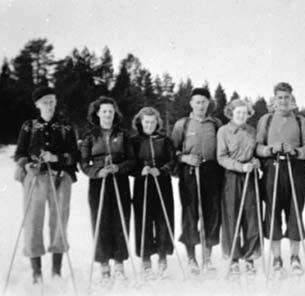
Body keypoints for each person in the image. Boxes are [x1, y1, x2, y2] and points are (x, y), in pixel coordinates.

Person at [14, 86, 79, 283]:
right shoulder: (30, 126)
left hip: (60, 177)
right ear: (37, 104)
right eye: (45, 102)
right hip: (35, 177)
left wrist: (56, 157)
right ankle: (37, 272)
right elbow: (19, 153)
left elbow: (74, 154)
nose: (49, 106)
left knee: (59, 222)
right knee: (33, 221)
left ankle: (57, 271)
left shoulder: (66, 126)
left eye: (52, 101)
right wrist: (27, 163)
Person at [256, 82, 305, 274]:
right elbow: (257, 146)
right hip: (273, 168)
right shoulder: (266, 119)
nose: (283, 101)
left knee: (295, 211)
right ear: (274, 99)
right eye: (279, 98)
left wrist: (296, 151)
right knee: (272, 212)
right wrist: (269, 149)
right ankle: (277, 258)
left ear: (292, 99)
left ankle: (295, 257)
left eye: (286, 98)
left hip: (295, 169)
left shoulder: (300, 121)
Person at [79, 96, 135, 279]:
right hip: (99, 182)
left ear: (114, 113)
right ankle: (103, 263)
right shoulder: (89, 135)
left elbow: (132, 160)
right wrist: (96, 172)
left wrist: (119, 167)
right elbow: (83, 162)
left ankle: (119, 262)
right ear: (97, 113)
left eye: (111, 111)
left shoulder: (123, 134)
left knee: (120, 220)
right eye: (104, 111)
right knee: (100, 220)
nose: (108, 115)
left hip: (119, 181)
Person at [171, 87, 223, 274]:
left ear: (208, 104)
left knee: (211, 214)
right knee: (190, 213)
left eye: (204, 102)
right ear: (191, 103)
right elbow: (173, 150)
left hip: (211, 171)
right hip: (190, 171)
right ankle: (192, 258)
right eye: (197, 102)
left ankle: (207, 257)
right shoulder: (182, 124)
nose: (201, 105)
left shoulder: (216, 124)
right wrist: (184, 158)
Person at [217, 99, 261, 275]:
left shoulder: (252, 131)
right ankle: (233, 257)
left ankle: (250, 257)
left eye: (245, 112)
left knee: (251, 217)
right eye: (238, 113)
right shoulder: (223, 131)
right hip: (232, 176)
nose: (241, 116)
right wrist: (239, 166)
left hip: (250, 177)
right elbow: (221, 157)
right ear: (231, 113)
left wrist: (257, 161)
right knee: (231, 215)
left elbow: (256, 152)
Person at [131, 107, 176, 276]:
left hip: (162, 183)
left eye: (152, 122)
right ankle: (145, 258)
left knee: (163, 219)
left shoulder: (164, 140)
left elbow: (173, 161)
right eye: (146, 122)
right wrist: (139, 170)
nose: (149, 125)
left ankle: (163, 257)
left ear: (157, 122)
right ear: (140, 123)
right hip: (142, 184)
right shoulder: (134, 141)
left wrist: (162, 170)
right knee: (143, 220)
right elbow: (129, 163)